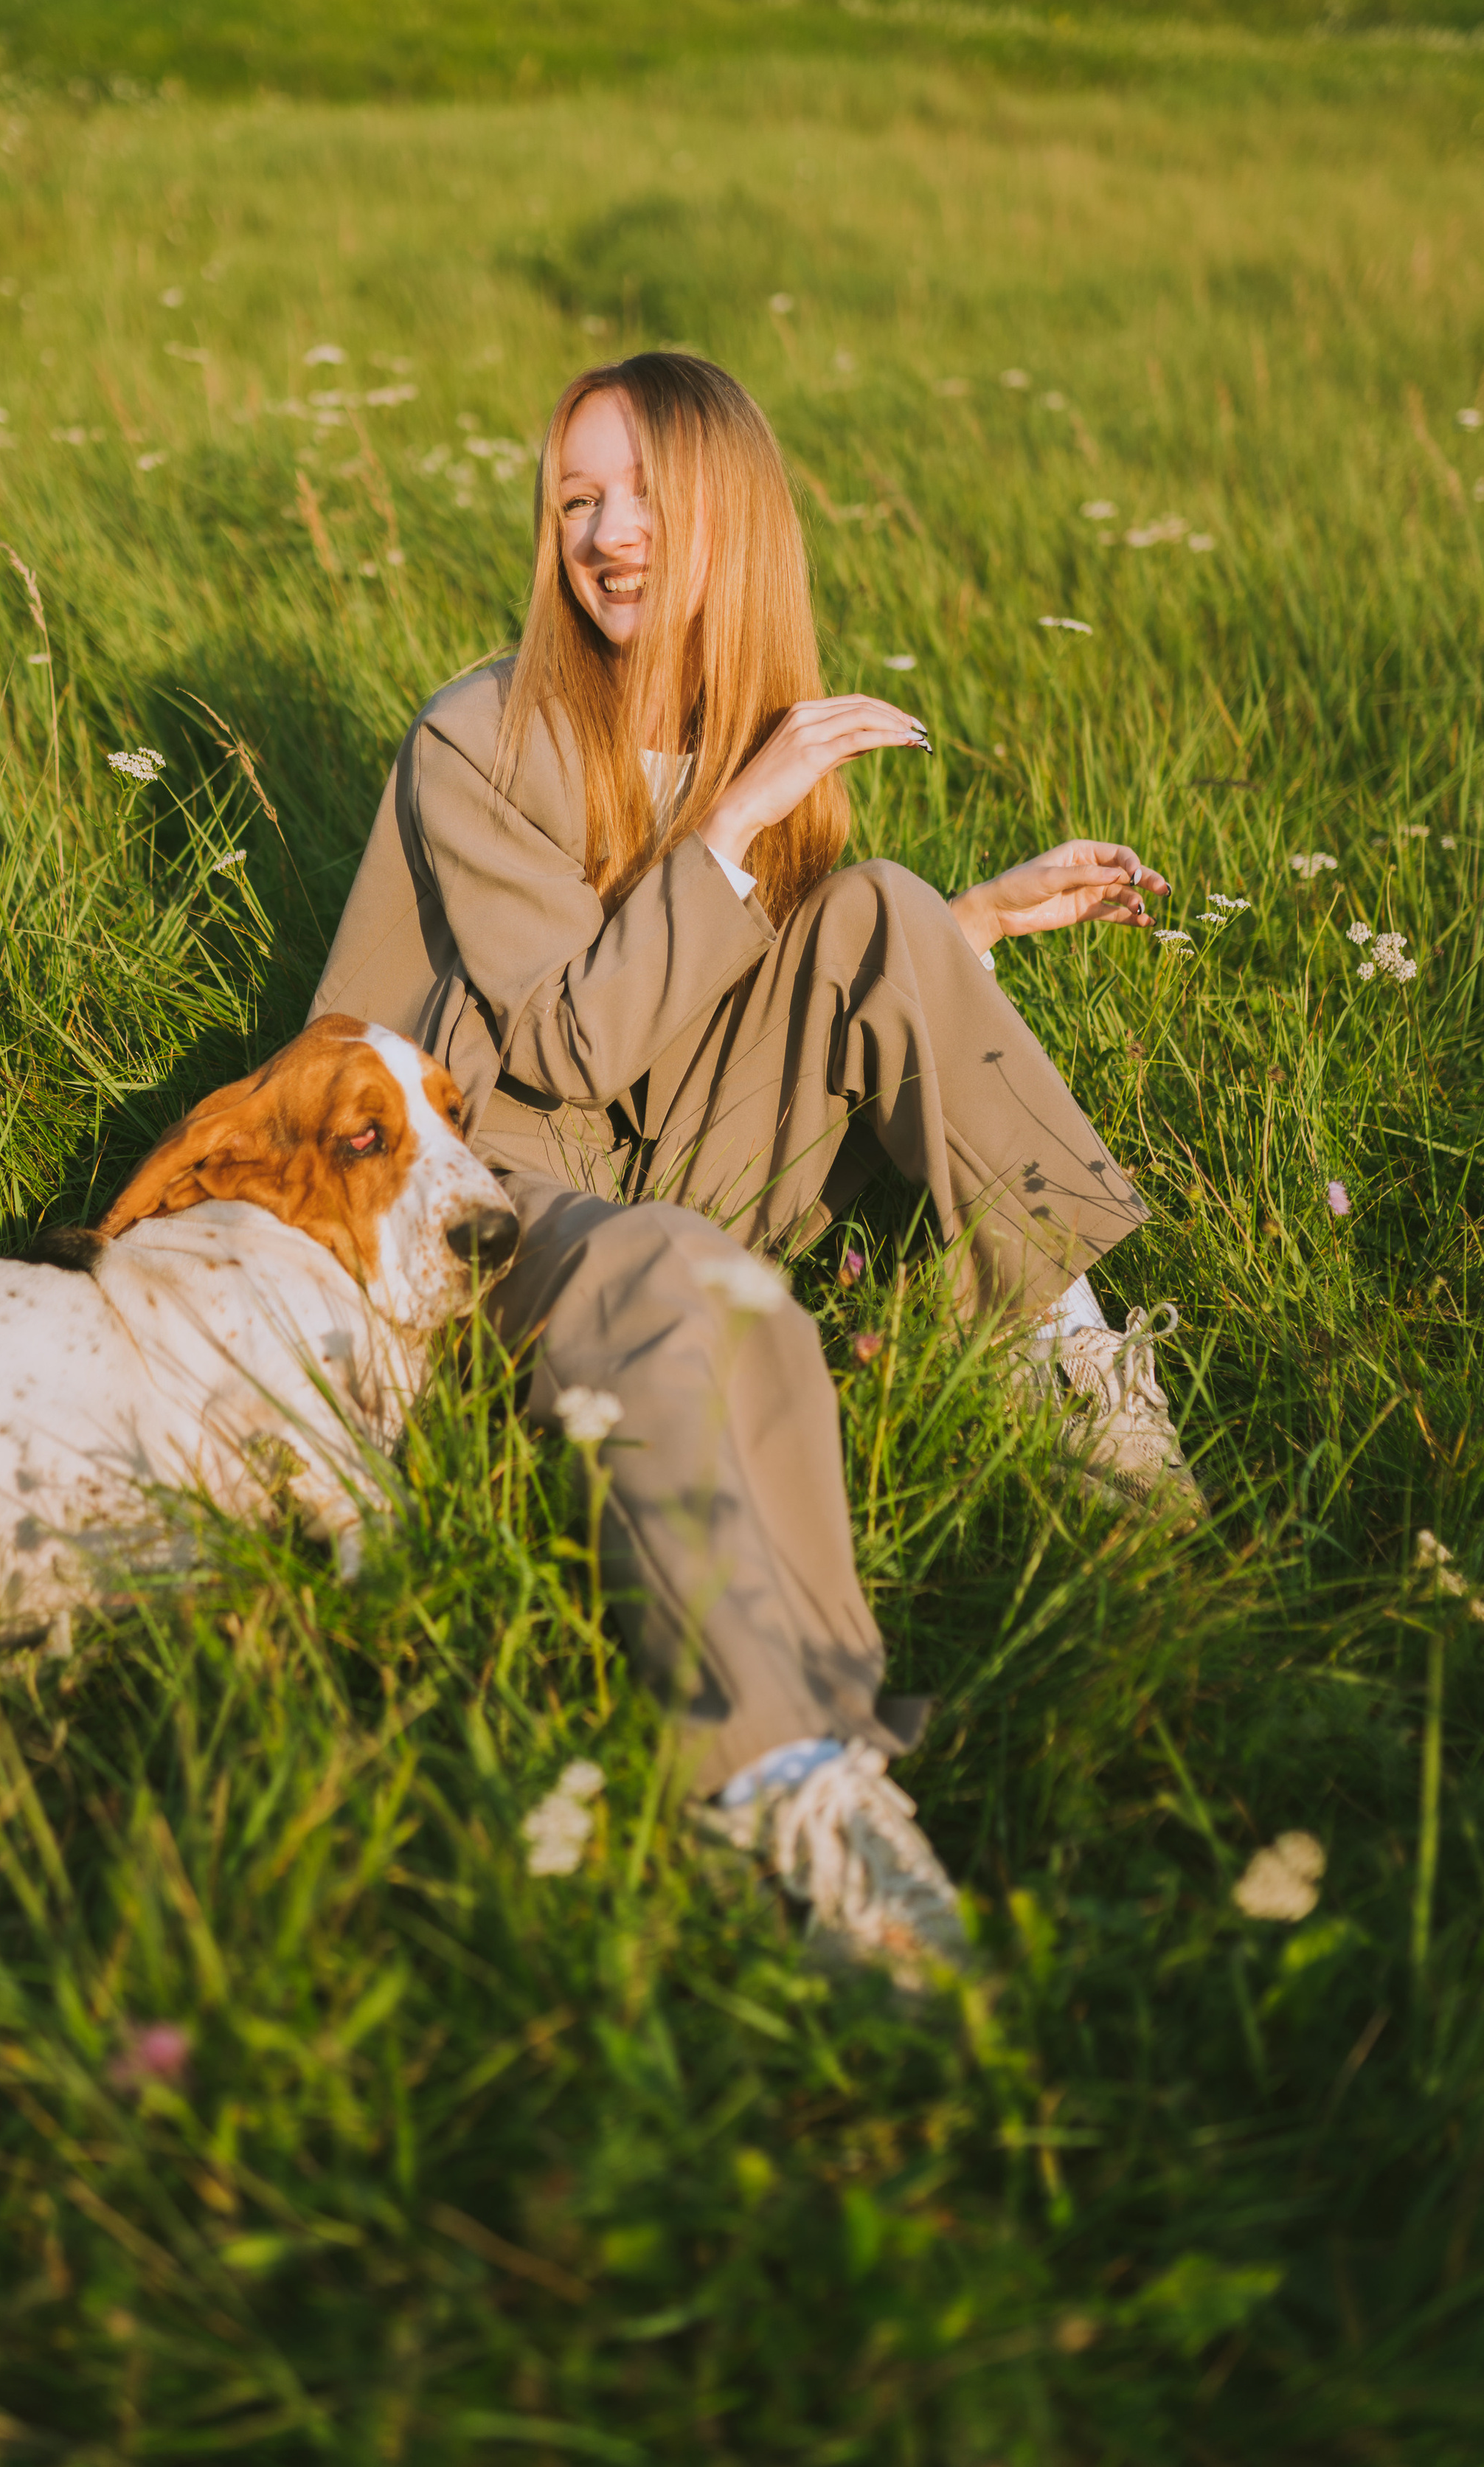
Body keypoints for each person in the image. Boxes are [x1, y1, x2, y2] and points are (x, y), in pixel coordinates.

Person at [312, 350, 1199, 1985]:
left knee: (885, 908)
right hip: (480, 1177)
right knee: (683, 1280)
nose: (607, 533)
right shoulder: (480, 732)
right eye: (576, 499)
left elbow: (724, 1010)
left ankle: (1072, 1363)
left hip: (656, 1147)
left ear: (735, 511)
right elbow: (572, 1045)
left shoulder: (744, 734)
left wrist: (961, 929)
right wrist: (735, 825)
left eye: (645, 492)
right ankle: (792, 1777)